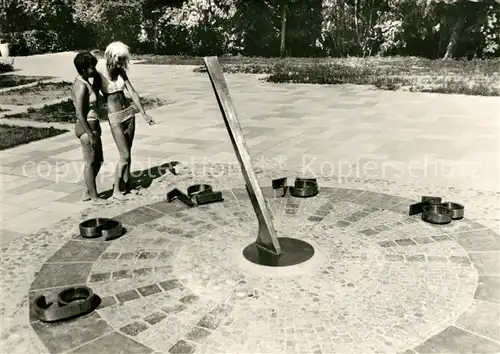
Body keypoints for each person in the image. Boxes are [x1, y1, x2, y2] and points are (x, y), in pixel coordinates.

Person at [96, 41, 155, 199]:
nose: (122, 63)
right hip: (115, 117)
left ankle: (128, 185)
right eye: (120, 59)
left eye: (123, 60)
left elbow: (133, 93)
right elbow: (91, 94)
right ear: (111, 56)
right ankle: (116, 190)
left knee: (128, 152)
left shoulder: (121, 72)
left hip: (129, 114)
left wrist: (143, 113)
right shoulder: (99, 73)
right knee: (124, 156)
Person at [71, 51, 107, 205]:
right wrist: (90, 134)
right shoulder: (80, 86)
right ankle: (94, 196)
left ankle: (88, 191)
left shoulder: (86, 81)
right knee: (90, 163)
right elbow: (79, 113)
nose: (95, 70)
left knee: (98, 161)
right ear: (84, 69)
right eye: (92, 67)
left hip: (93, 124)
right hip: (86, 127)